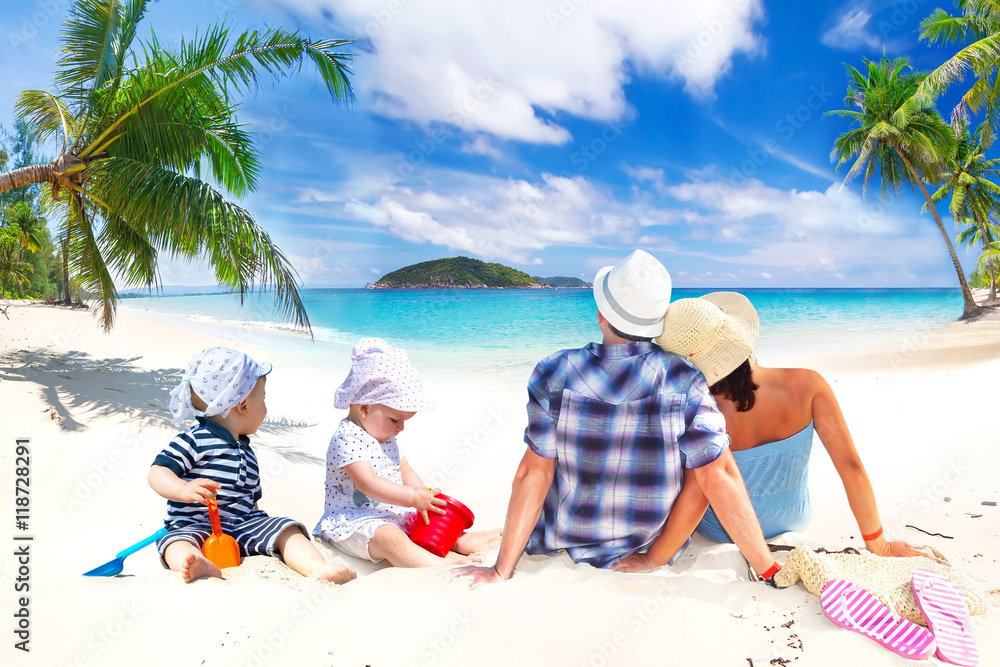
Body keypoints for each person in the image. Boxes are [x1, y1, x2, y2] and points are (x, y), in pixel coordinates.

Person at [453, 251, 778, 587]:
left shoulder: (554, 371)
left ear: (600, 316)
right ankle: (492, 536)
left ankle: (496, 539)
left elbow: (533, 472)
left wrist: (500, 571)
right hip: (643, 546)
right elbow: (718, 476)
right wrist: (767, 568)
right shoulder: (684, 379)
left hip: (561, 540)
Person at [613, 292, 924, 573]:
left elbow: (699, 494)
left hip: (722, 529)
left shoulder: (698, 408)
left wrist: (653, 559)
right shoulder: (808, 385)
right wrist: (878, 546)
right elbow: (850, 466)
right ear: (737, 332)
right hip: (793, 518)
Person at [149, 346, 357, 584]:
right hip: (194, 524)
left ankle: (316, 567)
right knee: (175, 544)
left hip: (243, 525)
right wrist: (181, 490)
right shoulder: (194, 440)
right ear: (244, 405)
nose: (265, 406)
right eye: (264, 398)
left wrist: (261, 522)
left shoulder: (245, 451)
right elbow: (158, 472)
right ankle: (198, 563)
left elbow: (252, 500)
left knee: (287, 529)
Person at [313, 338, 501, 567]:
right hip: (354, 522)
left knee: (431, 523)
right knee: (389, 538)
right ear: (364, 408)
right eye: (395, 420)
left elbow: (405, 470)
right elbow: (367, 483)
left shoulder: (387, 436)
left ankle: (462, 542)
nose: (400, 428)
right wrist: (412, 498)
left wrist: (422, 495)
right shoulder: (346, 437)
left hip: (392, 513)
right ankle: (437, 562)